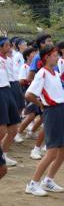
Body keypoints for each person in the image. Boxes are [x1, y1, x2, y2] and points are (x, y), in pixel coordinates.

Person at [25, 45, 64, 196]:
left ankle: (48, 181)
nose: (57, 57)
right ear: (46, 57)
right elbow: (29, 94)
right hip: (52, 111)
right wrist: (42, 105)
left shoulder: (55, 73)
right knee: (52, 151)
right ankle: (33, 184)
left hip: (62, 109)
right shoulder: (42, 74)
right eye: (54, 55)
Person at [27, 33, 54, 160]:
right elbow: (31, 76)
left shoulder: (53, 58)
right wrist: (38, 93)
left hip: (55, 93)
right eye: (48, 41)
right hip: (44, 94)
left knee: (51, 122)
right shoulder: (38, 58)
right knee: (46, 121)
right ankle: (37, 148)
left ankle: (48, 146)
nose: (51, 42)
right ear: (42, 44)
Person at [17, 47, 43, 152]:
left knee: (42, 115)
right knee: (31, 114)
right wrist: (29, 80)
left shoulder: (38, 67)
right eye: (33, 53)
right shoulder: (25, 66)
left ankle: (31, 132)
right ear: (28, 56)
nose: (36, 54)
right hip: (29, 92)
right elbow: (22, 80)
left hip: (38, 92)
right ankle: (18, 132)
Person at [0, 37, 21, 167]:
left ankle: (4, 155)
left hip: (8, 90)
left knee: (13, 129)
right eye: (7, 45)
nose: (10, 48)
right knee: (2, 130)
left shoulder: (7, 60)